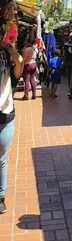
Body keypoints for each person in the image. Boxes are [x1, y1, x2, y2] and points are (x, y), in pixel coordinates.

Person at [0, 38, 23, 213]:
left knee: (1, 160)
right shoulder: (8, 74)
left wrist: (7, 47)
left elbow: (20, 61)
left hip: (5, 119)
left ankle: (1, 196)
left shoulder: (10, 76)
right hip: (7, 118)